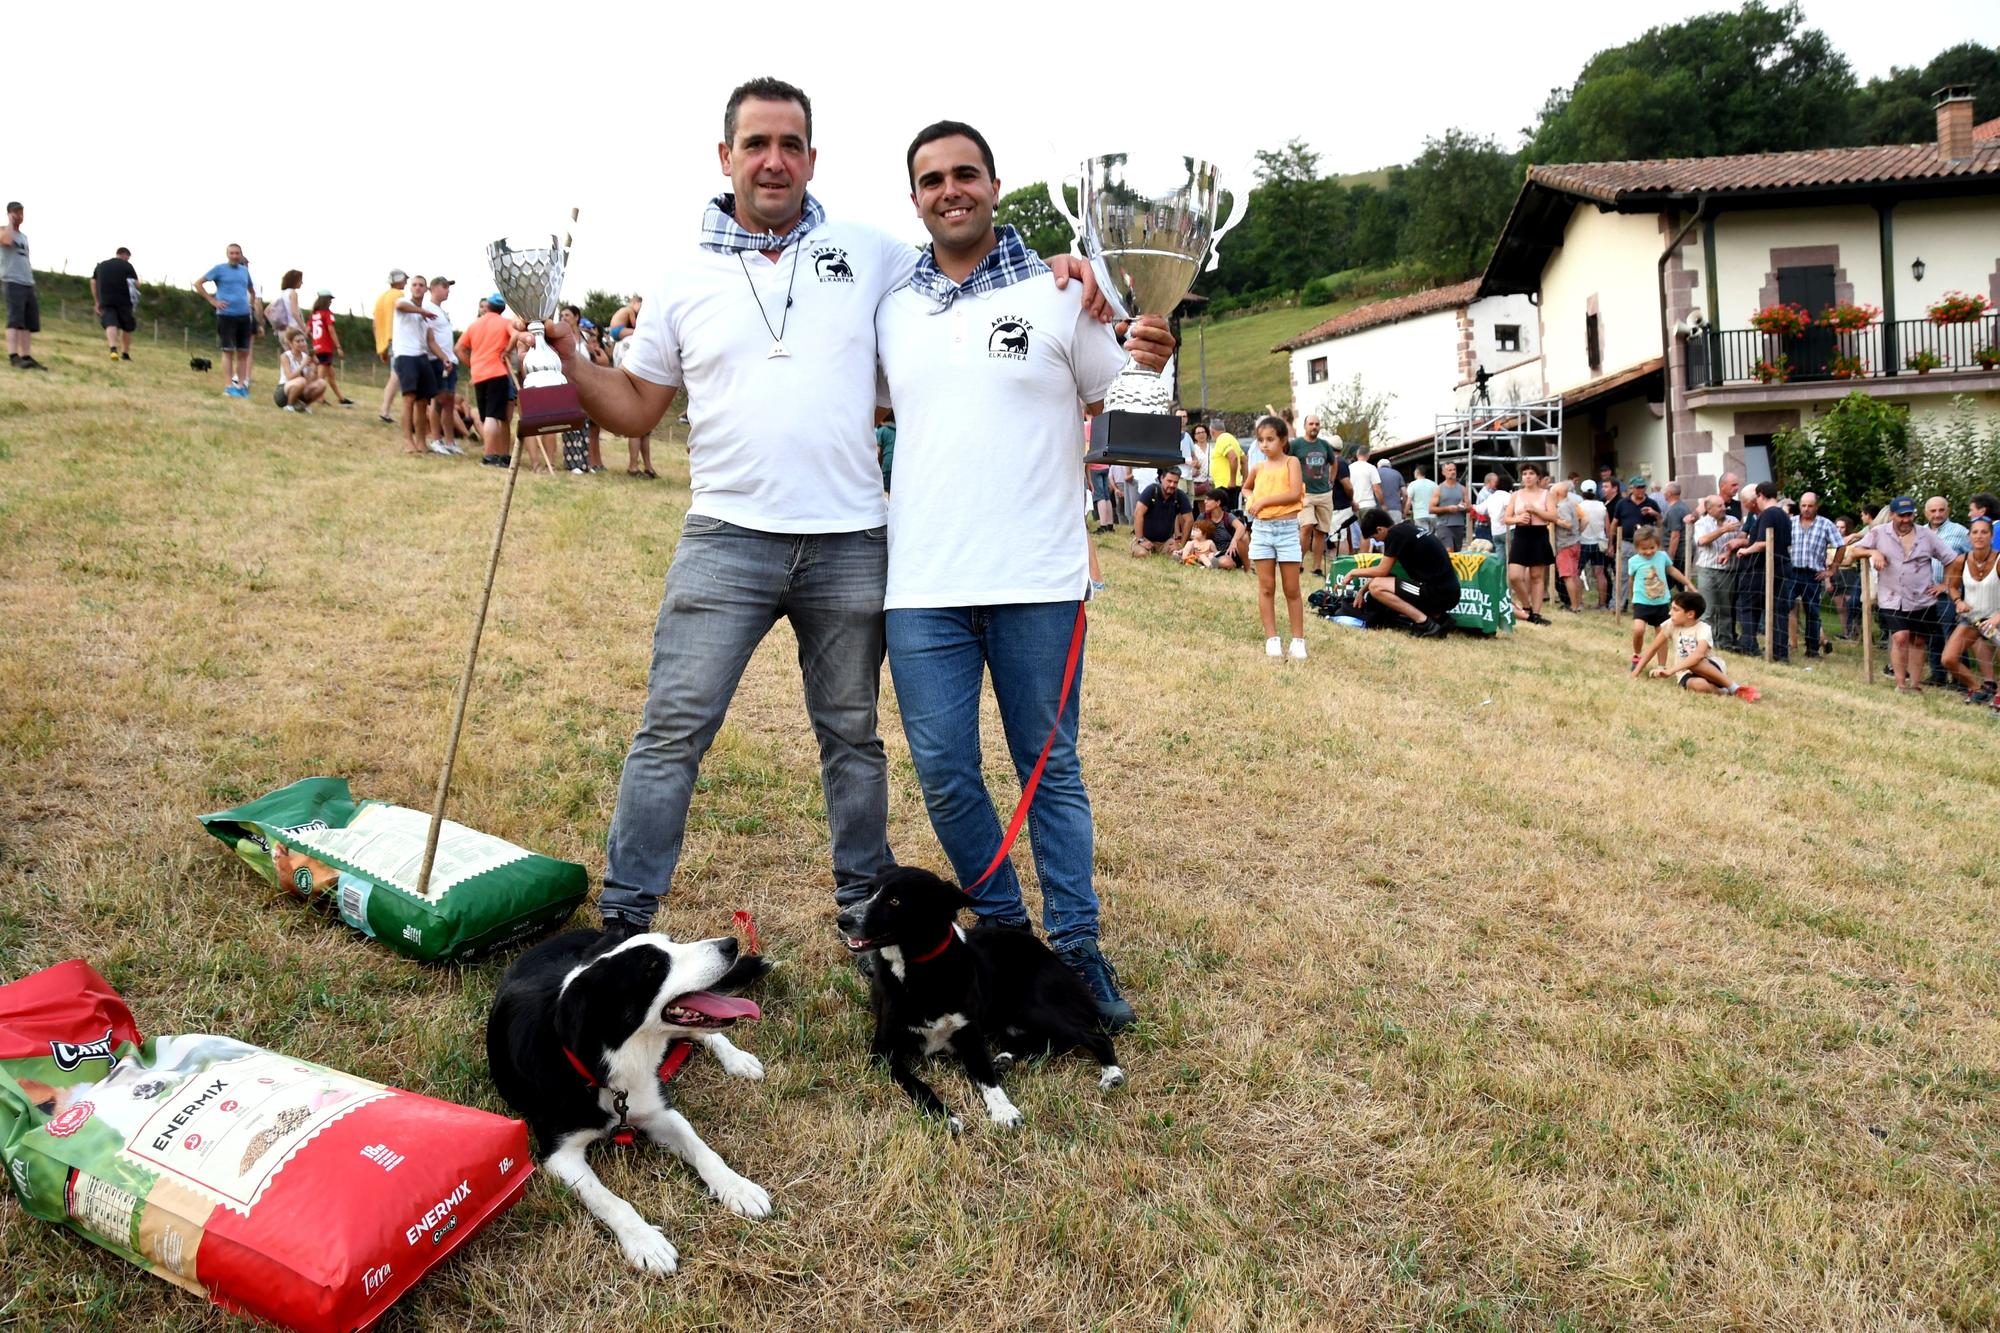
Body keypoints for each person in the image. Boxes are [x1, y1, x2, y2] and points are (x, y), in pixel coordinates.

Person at [539, 78, 1114, 939]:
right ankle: (625, 913)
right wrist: (569, 361)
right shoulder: (682, 274)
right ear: (725, 156)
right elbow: (636, 408)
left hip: (850, 539)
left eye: (792, 145)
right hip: (726, 535)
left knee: (853, 738)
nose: (775, 161)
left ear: (813, 157)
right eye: (757, 144)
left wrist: (1062, 267)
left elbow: (974, 264)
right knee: (671, 731)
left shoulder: (873, 251)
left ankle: (860, 910)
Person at [876, 120, 1162, 1028]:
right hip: (921, 586)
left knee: (1053, 771)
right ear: (915, 197)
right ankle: (1001, 930)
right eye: (932, 179)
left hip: (1040, 579)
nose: (950, 189)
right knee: (948, 772)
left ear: (994, 186)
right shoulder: (890, 306)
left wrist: (1153, 353)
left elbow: (1126, 391)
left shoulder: (1060, 292)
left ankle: (1075, 940)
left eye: (966, 174)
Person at [1833, 495, 1961, 693]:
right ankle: (1901, 684)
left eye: (1909, 515)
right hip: (1892, 597)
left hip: (1922, 597)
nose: (1906, 519)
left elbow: (1952, 559)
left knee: (1918, 640)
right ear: (1892, 515)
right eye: (1901, 515)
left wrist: (1946, 584)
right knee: (1900, 637)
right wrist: (1873, 553)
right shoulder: (1879, 533)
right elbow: (1855, 551)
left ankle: (1915, 684)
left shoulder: (1926, 536)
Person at [1338, 508, 1456, 638]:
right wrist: (1362, 591)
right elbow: (1386, 572)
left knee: (1376, 588)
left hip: (1438, 593)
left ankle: (1426, 624)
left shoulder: (1394, 535)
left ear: (1380, 529)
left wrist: (1353, 572)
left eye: (1374, 537)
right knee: (1380, 585)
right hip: (1448, 591)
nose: (1377, 542)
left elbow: (1382, 571)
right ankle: (1440, 618)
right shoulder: (1406, 529)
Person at [1244, 415, 1306, 659]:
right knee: (1266, 586)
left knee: (1292, 588)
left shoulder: (1292, 463)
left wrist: (1263, 501)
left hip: (1288, 530)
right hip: (1261, 530)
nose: (1264, 445)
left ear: (1283, 440)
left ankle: (1298, 640)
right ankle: (1272, 639)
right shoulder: (1258, 467)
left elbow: (1293, 493)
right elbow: (1246, 487)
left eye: (1270, 439)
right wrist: (1251, 499)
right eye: (1261, 440)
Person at [1633, 588, 1759, 699]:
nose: (1670, 613)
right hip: (1685, 672)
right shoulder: (1670, 624)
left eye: (1675, 609)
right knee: (1700, 686)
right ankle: (1723, 691)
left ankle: (1735, 688)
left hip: (1709, 667)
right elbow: (1653, 648)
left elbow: (1698, 656)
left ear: (1690, 614)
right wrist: (1635, 673)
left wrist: (1670, 671)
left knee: (1694, 662)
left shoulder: (1703, 629)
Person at [456, 292, 517, 468]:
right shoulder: (505, 323)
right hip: (497, 372)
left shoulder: (475, 325)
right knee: (493, 416)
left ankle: (492, 454)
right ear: (502, 309)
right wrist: (507, 350)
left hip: (479, 374)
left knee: (486, 416)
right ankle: (491, 455)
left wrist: (472, 365)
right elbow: (514, 336)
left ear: (488, 306)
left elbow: (459, 348)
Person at [1943, 515, 1999, 705]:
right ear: (1969, 537)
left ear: (1991, 537)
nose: (1979, 536)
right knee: (1948, 658)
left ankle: (1998, 697)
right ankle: (1978, 689)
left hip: (1995, 618)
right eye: (1975, 532)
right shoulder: (1961, 560)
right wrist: (1958, 600)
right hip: (1972, 620)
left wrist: (1997, 618)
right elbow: (1951, 586)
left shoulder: (1998, 560)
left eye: (1984, 532)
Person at [194, 243, 261, 398]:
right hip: (226, 315)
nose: (234, 256)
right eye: (231, 253)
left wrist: (250, 304)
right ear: (227, 254)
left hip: (244, 316)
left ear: (241, 254)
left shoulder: (245, 272)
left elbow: (251, 290)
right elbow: (198, 283)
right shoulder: (219, 269)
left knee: (243, 352)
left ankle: (242, 386)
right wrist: (212, 300)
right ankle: (228, 386)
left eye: (237, 253)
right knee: (228, 350)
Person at [1734, 481, 1792, 661]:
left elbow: (1763, 542)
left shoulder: (1767, 514)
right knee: (1778, 610)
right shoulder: (1784, 515)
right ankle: (1780, 652)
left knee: (1748, 606)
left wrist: (1746, 550)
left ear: (1760, 495)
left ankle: (1749, 646)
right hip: (1782, 566)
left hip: (1762, 568)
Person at [389, 273, 444, 456]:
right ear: (410, 288)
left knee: (422, 403)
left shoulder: (425, 314)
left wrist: (444, 358)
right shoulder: (405, 304)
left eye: (421, 285)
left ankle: (421, 441)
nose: (418, 287)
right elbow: (399, 305)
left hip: (422, 357)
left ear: (426, 289)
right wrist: (422, 312)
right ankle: (408, 441)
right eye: (414, 284)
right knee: (409, 399)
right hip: (406, 356)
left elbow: (431, 341)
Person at [1625, 523, 1695, 662]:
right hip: (1642, 602)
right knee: (1638, 630)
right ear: (1637, 547)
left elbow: (1672, 571)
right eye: (1644, 549)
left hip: (1661, 603)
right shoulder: (1633, 561)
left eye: (1652, 548)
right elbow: (1632, 580)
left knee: (1662, 635)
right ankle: (1637, 654)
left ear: (1657, 545)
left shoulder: (1662, 556)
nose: (1649, 551)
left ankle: (1661, 666)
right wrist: (1632, 598)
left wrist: (1688, 583)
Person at [1922, 496, 1971, 686]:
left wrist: (1947, 584)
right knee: (1932, 635)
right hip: (1926, 594)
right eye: (1933, 511)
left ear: (1948, 510)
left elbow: (1971, 560)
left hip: (1950, 594)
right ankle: (1938, 676)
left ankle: (1961, 680)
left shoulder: (1960, 532)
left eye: (1941, 510)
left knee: (1952, 635)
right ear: (1926, 513)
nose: (1937, 514)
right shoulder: (1920, 532)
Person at [1788, 491, 1841, 659]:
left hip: (1813, 574)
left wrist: (1832, 569)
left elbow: (1841, 545)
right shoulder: (1790, 522)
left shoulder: (1825, 524)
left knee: (1812, 612)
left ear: (1816, 506)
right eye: (1803, 505)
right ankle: (1781, 644)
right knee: (1783, 607)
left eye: (1810, 506)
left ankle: (1812, 649)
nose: (1806, 509)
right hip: (1792, 572)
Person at [1504, 463, 1557, 625]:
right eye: (1525, 473)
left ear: (1538, 477)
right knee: (1514, 575)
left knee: (1536, 576)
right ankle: (1526, 606)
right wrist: (1518, 519)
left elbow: (1553, 516)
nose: (1527, 476)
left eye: (1531, 473)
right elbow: (1506, 518)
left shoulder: (1546, 494)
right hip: (1521, 535)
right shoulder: (1516, 495)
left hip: (1539, 534)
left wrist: (1535, 510)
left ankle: (1536, 613)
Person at [1289, 416, 1337, 576]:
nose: (1314, 426)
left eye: (1317, 424)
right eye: (1311, 424)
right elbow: (1286, 462)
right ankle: (1299, 563)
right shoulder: (1296, 444)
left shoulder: (1324, 445)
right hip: (1305, 493)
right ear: (1305, 426)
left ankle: (1317, 567)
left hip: (1324, 493)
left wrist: (1332, 480)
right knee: (1306, 526)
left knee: (1321, 532)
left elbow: (1333, 462)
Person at [423, 276, 464, 456]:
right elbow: (429, 337)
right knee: (437, 400)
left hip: (450, 360)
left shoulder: (441, 311)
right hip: (437, 360)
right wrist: (441, 358)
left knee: (449, 402)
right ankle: (436, 439)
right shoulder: (427, 309)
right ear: (434, 288)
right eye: (445, 286)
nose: (448, 290)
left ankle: (449, 441)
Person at [2, 201, 44, 371]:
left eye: (21, 213)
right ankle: (14, 356)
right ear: (9, 213)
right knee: (15, 320)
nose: (19, 216)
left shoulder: (24, 237)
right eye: (16, 212)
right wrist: (10, 223)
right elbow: (5, 241)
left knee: (28, 322)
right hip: (12, 281)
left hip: (27, 282)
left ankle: (26, 356)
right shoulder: (4, 231)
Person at [1610, 476, 1660, 611]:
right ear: (1632, 488)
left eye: (1643, 487)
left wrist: (1654, 514)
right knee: (1622, 575)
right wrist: (1611, 543)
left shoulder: (1651, 503)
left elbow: (1660, 523)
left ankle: (1647, 604)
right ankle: (1618, 605)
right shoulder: (1622, 503)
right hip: (1626, 542)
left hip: (1646, 546)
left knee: (1647, 575)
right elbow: (1614, 523)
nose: (1641, 490)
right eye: (1638, 487)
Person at [90, 246, 139, 360]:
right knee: (127, 326)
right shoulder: (127, 265)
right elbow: (136, 284)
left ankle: (113, 349)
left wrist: (97, 301)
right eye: (128, 257)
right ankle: (125, 354)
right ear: (125, 255)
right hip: (124, 301)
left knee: (111, 323)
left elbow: (93, 281)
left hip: (105, 299)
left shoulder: (101, 265)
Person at [372, 267, 408, 423]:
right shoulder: (399, 295)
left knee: (395, 375)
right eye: (405, 279)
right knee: (397, 375)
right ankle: (385, 411)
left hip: (386, 341)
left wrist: (381, 346)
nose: (406, 282)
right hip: (398, 340)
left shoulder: (381, 298)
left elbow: (374, 324)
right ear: (399, 280)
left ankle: (385, 410)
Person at [306, 290, 353, 406]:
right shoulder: (327, 313)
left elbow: (307, 331)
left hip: (317, 348)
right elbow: (331, 330)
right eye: (330, 299)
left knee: (331, 376)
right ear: (325, 300)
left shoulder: (314, 314)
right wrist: (338, 347)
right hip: (326, 349)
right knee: (320, 378)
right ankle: (318, 398)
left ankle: (342, 399)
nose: (331, 301)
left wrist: (315, 340)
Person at [1132, 468, 1193, 557]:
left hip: (1166, 542)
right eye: (1169, 481)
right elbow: (1138, 514)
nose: (1172, 485)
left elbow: (1189, 520)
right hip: (1145, 538)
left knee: (1178, 556)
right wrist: (1141, 540)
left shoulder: (1180, 496)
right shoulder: (1151, 490)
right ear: (1161, 478)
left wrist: (1181, 544)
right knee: (1141, 554)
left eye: (1175, 482)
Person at [275, 328, 327, 412]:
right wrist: (303, 364)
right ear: (291, 343)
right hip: (283, 392)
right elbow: (289, 377)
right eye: (298, 341)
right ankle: (289, 405)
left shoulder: (305, 356)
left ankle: (304, 406)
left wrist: (314, 364)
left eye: (303, 340)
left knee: (322, 383)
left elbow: (310, 380)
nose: (301, 343)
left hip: (300, 389)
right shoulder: (285, 356)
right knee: (301, 381)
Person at [1551, 480, 1583, 612]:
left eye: (1552, 492)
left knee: (1568, 576)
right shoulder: (1570, 504)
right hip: (1574, 543)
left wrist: (1555, 520)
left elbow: (1568, 523)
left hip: (1565, 545)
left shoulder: (1562, 507)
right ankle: (1578, 603)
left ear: (1558, 493)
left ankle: (1574, 606)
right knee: (1574, 575)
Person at [1199, 491, 1249, 570]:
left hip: (1228, 552)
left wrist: (1234, 540)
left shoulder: (1227, 516)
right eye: (1205, 499)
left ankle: (1246, 568)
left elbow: (1241, 527)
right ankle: (1213, 563)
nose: (1205, 502)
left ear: (1218, 502)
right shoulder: (1203, 516)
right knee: (1221, 562)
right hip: (1209, 552)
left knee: (1244, 537)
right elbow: (1194, 535)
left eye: (1208, 499)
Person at [1432, 461, 1468, 551]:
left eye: (1454, 469)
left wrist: (1463, 507)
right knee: (1449, 550)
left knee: (1457, 553)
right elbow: (1431, 508)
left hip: (1459, 525)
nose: (1453, 472)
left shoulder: (1462, 489)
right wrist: (1447, 509)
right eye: (1449, 470)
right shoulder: (1439, 489)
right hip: (1444, 526)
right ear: (1443, 473)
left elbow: (1469, 507)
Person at [1209, 429, 1245, 513]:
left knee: (1225, 517)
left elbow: (1233, 457)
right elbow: (1244, 460)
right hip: (1232, 485)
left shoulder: (1222, 438)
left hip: (1225, 486)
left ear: (1212, 431)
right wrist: (1245, 482)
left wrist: (1232, 480)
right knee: (1231, 515)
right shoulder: (1232, 439)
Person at [266, 269, 305, 343]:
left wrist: (275, 325)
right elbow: (295, 313)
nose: (302, 283)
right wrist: (304, 328)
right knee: (303, 354)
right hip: (294, 330)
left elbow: (266, 311)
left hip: (282, 331)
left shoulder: (282, 294)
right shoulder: (293, 293)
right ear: (294, 280)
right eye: (300, 280)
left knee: (288, 354)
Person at [1659, 481, 1690, 567]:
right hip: (1683, 553)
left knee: (1674, 580)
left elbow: (1675, 535)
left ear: (1669, 494)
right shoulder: (1682, 506)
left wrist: (1670, 558)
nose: (1663, 493)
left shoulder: (1674, 510)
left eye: (1664, 491)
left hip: (1678, 555)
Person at [1405, 462, 1437, 532]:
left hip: (1419, 515)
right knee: (1431, 536)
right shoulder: (1434, 484)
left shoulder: (1412, 484)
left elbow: (1408, 502)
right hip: (1433, 515)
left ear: (1417, 472)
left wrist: (1405, 512)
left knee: (1423, 537)